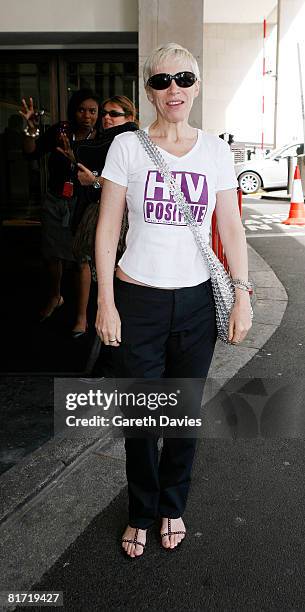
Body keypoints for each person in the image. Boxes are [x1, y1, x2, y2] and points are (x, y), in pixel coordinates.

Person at [95, 42, 252, 558]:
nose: (173, 90)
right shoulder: (127, 147)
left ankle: (172, 505)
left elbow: (230, 224)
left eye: (183, 79)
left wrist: (243, 294)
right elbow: (107, 228)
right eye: (162, 81)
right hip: (136, 298)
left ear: (197, 86)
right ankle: (141, 510)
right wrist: (105, 301)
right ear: (149, 90)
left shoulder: (214, 151)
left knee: (181, 414)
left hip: (194, 303)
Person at [19, 89, 101, 323]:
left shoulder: (100, 139)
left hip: (82, 204)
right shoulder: (60, 131)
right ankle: (55, 296)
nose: (87, 115)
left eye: (92, 111)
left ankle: (82, 316)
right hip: (55, 202)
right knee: (52, 255)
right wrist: (29, 127)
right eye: (81, 110)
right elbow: (30, 152)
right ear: (73, 111)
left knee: (81, 259)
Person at [72, 96, 138, 337]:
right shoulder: (100, 141)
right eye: (105, 113)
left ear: (130, 117)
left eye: (114, 113)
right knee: (85, 262)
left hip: (123, 217)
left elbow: (131, 185)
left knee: (116, 269)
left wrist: (95, 182)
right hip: (95, 210)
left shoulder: (134, 143)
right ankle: (84, 318)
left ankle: (115, 322)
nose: (106, 117)